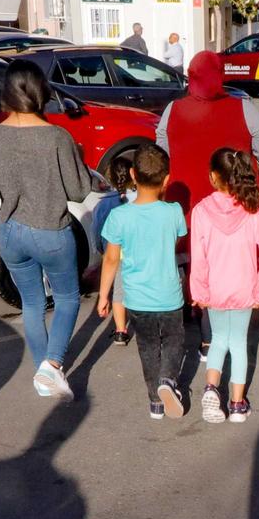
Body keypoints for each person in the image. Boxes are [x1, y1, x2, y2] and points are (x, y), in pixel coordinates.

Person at [0, 64, 94, 401]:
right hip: (52, 230)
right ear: (41, 93)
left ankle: (44, 373)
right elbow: (80, 190)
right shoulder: (57, 137)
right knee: (66, 299)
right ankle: (51, 366)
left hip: (11, 233)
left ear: (6, 93)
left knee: (32, 303)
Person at [97, 145, 189, 419]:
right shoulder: (173, 212)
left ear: (133, 175)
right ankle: (168, 381)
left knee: (148, 347)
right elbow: (177, 241)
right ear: (166, 179)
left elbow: (111, 260)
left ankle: (155, 403)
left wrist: (104, 296)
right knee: (174, 342)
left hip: (136, 298)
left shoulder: (119, 216)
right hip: (169, 295)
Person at [190, 148, 259, 424]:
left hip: (214, 287)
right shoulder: (253, 210)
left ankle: (211, 387)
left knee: (218, 340)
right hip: (244, 288)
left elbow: (198, 256)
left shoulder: (202, 210)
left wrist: (199, 291)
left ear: (214, 177)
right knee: (239, 344)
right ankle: (237, 404)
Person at [157, 52, 259, 213]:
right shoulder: (243, 108)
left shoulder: (173, 110)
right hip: (236, 202)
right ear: (219, 75)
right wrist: (249, 166)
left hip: (185, 206)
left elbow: (162, 154)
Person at [90, 146, 141, 346]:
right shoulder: (137, 199)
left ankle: (121, 330)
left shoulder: (103, 204)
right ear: (132, 174)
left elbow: (97, 233)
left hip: (116, 254)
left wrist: (102, 250)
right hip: (137, 252)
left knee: (119, 292)